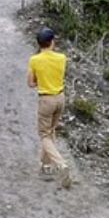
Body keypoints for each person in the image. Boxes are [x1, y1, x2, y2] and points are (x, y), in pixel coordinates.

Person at [26, 27, 71, 187]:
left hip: (46, 100)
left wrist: (41, 80)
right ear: (52, 41)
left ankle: (60, 164)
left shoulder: (34, 60)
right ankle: (45, 166)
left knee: (44, 134)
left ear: (39, 44)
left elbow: (30, 83)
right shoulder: (62, 58)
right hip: (60, 98)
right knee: (51, 131)